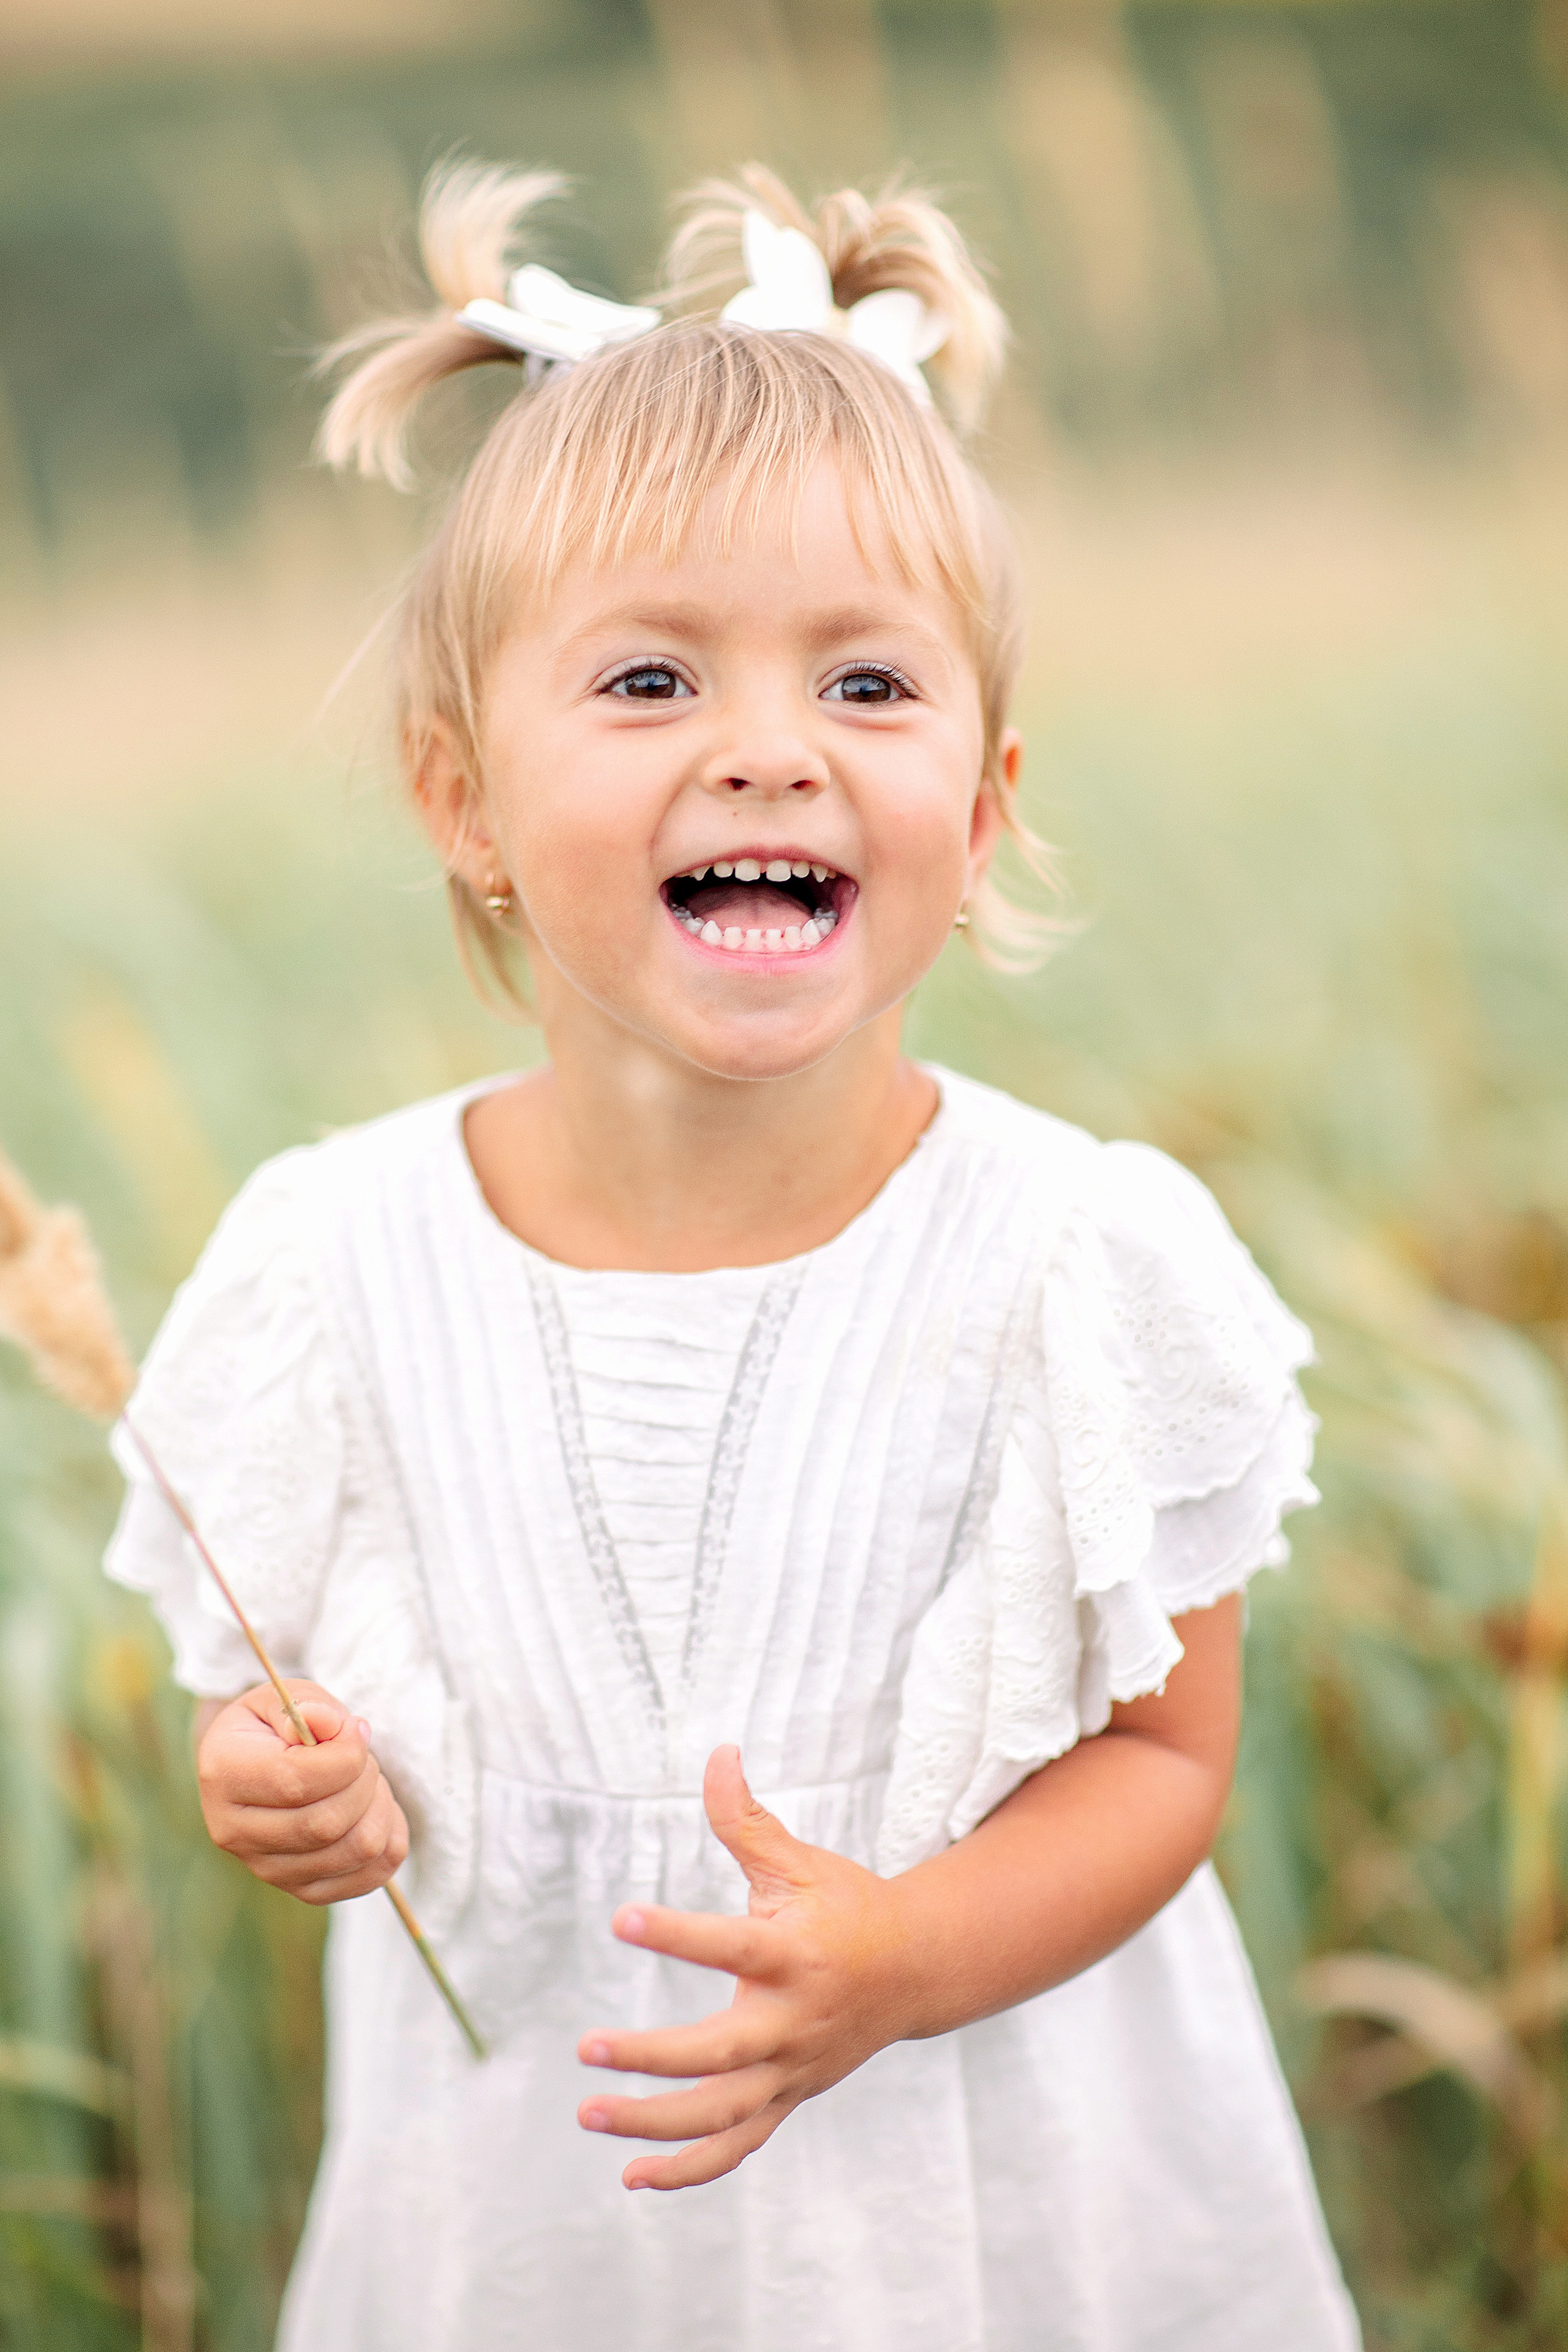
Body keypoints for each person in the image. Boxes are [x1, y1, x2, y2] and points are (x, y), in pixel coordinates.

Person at [104, 159, 1360, 2352]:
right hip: (530, 2225)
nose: (767, 748)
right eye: (654, 678)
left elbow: (1166, 1764)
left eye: (870, 687)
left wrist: (907, 1956)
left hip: (987, 2216)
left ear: (976, 817)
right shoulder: (335, 1259)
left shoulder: (1073, 1260)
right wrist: (287, 1788)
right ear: (461, 797)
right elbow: (280, 1700)